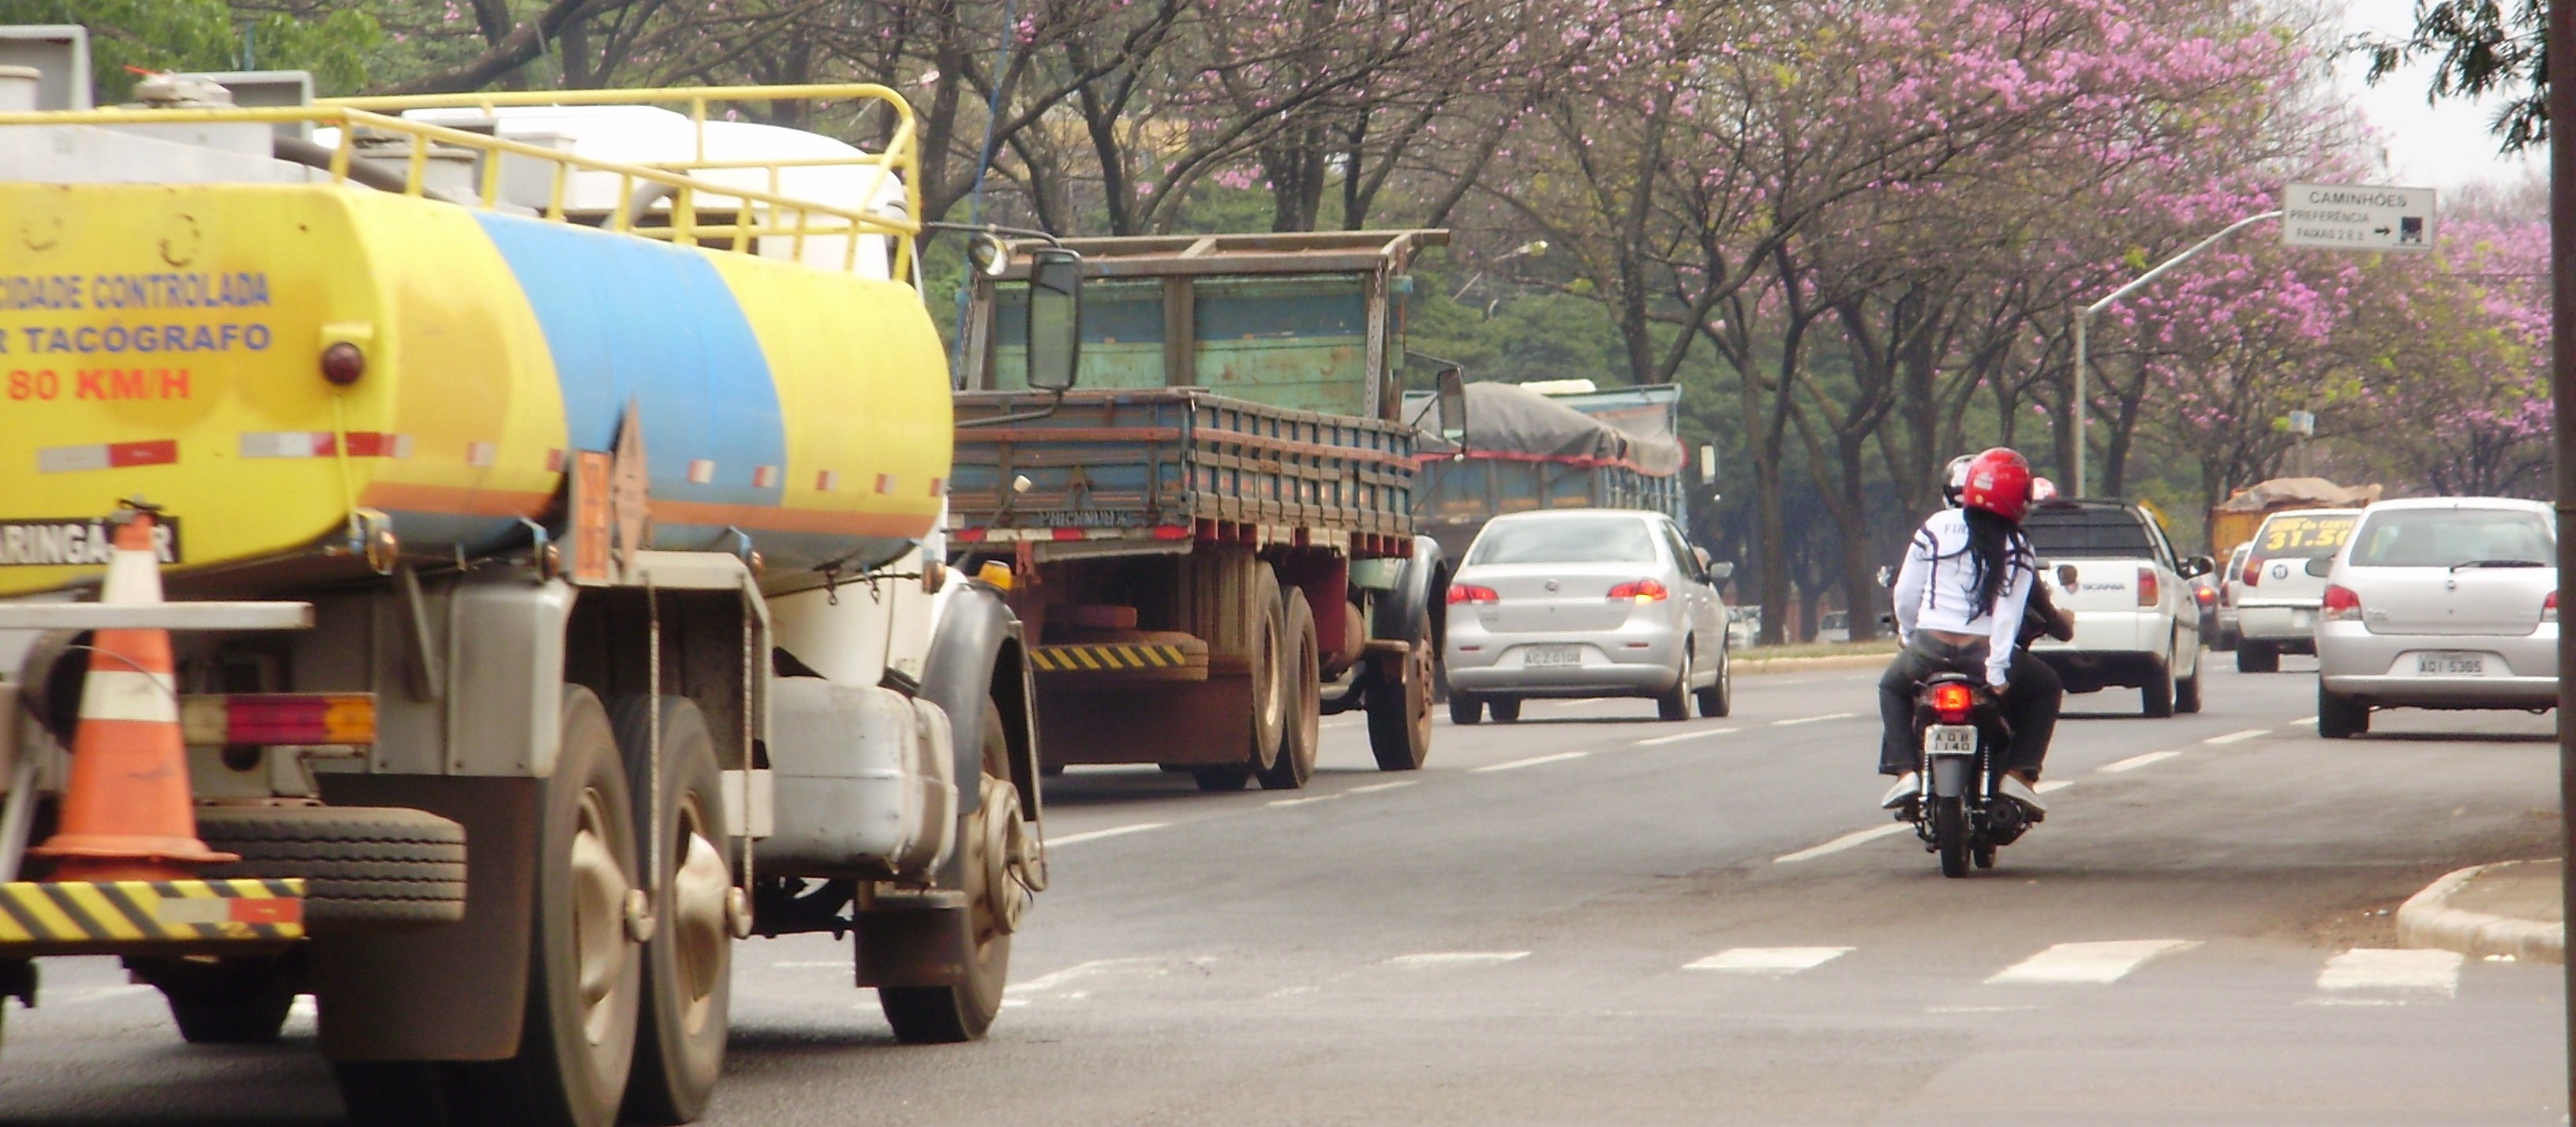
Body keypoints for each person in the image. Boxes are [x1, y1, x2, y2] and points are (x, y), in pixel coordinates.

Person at [1877, 448, 2049, 814]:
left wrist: (1909, 637)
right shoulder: (2019, 547)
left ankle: (1905, 771)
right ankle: (2019, 775)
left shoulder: (1935, 527)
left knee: (1892, 686)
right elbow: (2008, 616)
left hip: (1929, 649)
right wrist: (1997, 672)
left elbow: (1906, 595)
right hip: (1982, 656)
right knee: (2046, 688)